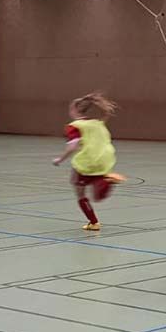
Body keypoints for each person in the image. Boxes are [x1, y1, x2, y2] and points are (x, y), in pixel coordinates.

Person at [53, 93, 124, 231]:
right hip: (105, 160)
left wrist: (60, 159)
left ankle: (94, 222)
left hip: (87, 162)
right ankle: (105, 180)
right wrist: (97, 101)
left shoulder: (75, 126)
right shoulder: (98, 123)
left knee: (80, 193)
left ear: (74, 110)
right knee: (97, 186)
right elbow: (108, 112)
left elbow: (73, 146)